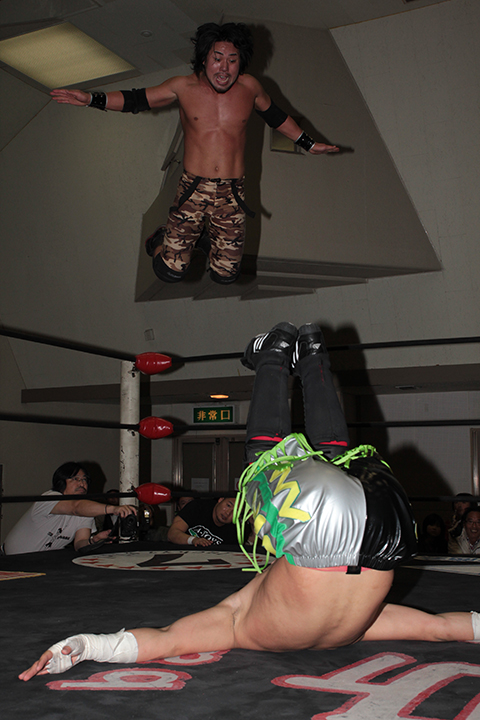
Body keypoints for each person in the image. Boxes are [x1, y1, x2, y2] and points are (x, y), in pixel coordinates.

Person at [19, 324, 480, 682]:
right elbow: (166, 639)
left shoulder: (363, 625)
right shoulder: (237, 628)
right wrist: (87, 645)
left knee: (340, 455)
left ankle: (313, 352)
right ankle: (273, 354)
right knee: (260, 464)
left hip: (388, 537)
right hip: (321, 537)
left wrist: (84, 647)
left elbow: (443, 628)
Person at [50, 23, 339, 285]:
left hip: (232, 192)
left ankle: (202, 239)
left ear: (241, 62)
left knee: (226, 275)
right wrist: (91, 99)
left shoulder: (250, 87)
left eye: (232, 60)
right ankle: (160, 238)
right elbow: (136, 100)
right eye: (217, 58)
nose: (224, 68)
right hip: (194, 189)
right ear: (204, 59)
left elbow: (275, 116)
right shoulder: (182, 87)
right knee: (170, 271)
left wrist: (309, 143)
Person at [3, 462, 136, 555]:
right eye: (75, 479)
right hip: (10, 561)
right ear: (61, 482)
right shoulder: (49, 498)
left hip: (42, 563)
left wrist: (94, 540)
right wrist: (114, 509)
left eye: (85, 480)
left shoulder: (86, 511)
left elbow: (79, 544)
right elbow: (75, 508)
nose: (82, 483)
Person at [167, 496, 237, 547]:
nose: (228, 513)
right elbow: (172, 533)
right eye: (228, 505)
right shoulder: (197, 506)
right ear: (221, 499)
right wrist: (193, 540)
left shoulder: (236, 529)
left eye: (236, 511)